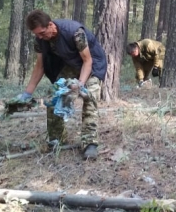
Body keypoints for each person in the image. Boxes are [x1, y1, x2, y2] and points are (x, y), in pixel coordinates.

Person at [16, 10, 107, 160]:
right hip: (70, 65)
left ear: (51, 25)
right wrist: (27, 93)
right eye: (37, 34)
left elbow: (87, 61)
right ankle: (56, 139)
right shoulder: (40, 40)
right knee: (54, 98)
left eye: (42, 33)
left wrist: (80, 85)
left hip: (92, 65)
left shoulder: (75, 32)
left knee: (89, 99)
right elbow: (40, 66)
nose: (40, 37)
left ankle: (90, 143)